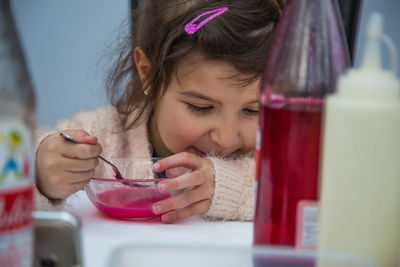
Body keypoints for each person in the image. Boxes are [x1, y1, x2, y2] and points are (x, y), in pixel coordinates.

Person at [35, 0, 282, 223]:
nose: (226, 138)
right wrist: (41, 176)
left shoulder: (274, 148)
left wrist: (231, 187)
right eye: (201, 107)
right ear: (147, 73)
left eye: (252, 110)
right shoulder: (107, 137)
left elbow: (303, 193)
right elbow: (14, 170)